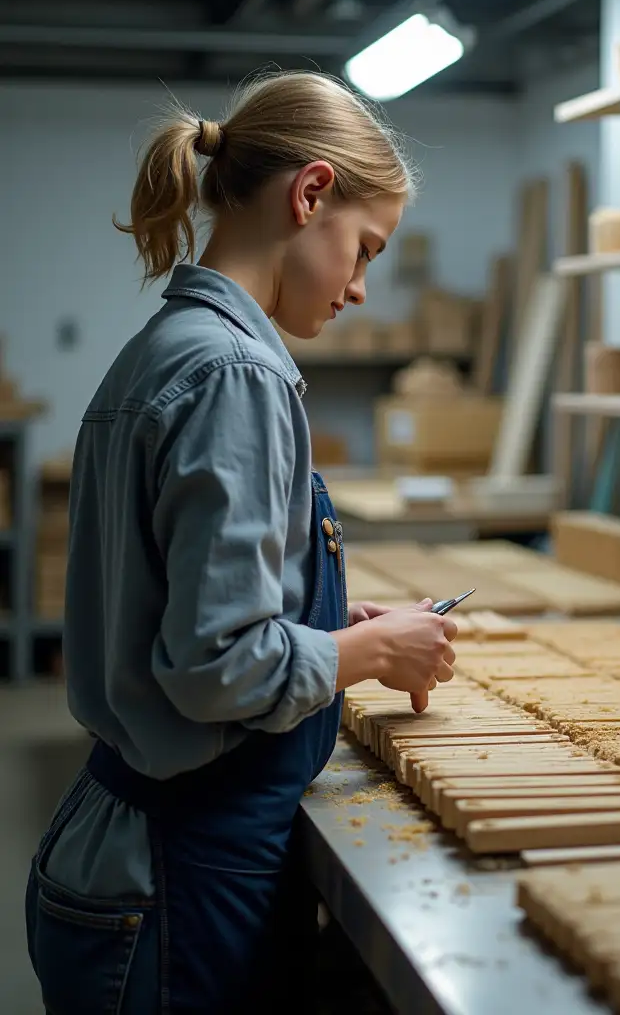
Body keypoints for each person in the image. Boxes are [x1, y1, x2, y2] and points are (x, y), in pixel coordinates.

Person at [24, 70, 458, 1014]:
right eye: (363, 248)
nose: (359, 287)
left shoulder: (168, 344)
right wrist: (372, 650)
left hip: (126, 842)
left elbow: (179, 611)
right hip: (174, 871)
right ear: (310, 195)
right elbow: (216, 666)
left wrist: (333, 624)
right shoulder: (236, 374)